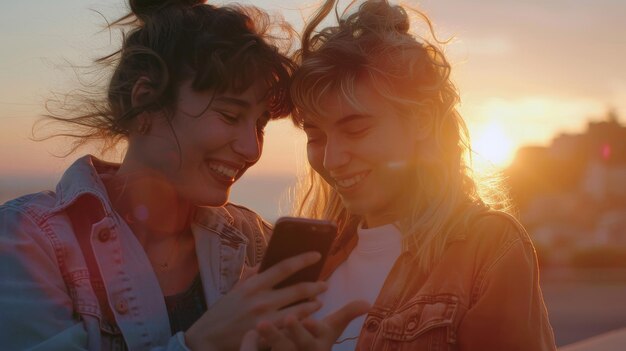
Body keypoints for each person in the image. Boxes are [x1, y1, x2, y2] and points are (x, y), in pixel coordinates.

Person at [0, 0, 349, 350]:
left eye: (260, 125)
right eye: (229, 116)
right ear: (147, 101)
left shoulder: (253, 243)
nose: (252, 149)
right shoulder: (29, 240)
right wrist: (202, 343)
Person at [247, 0, 558, 350]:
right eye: (315, 136)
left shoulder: (487, 248)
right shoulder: (308, 264)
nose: (332, 160)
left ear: (422, 121)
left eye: (356, 131)